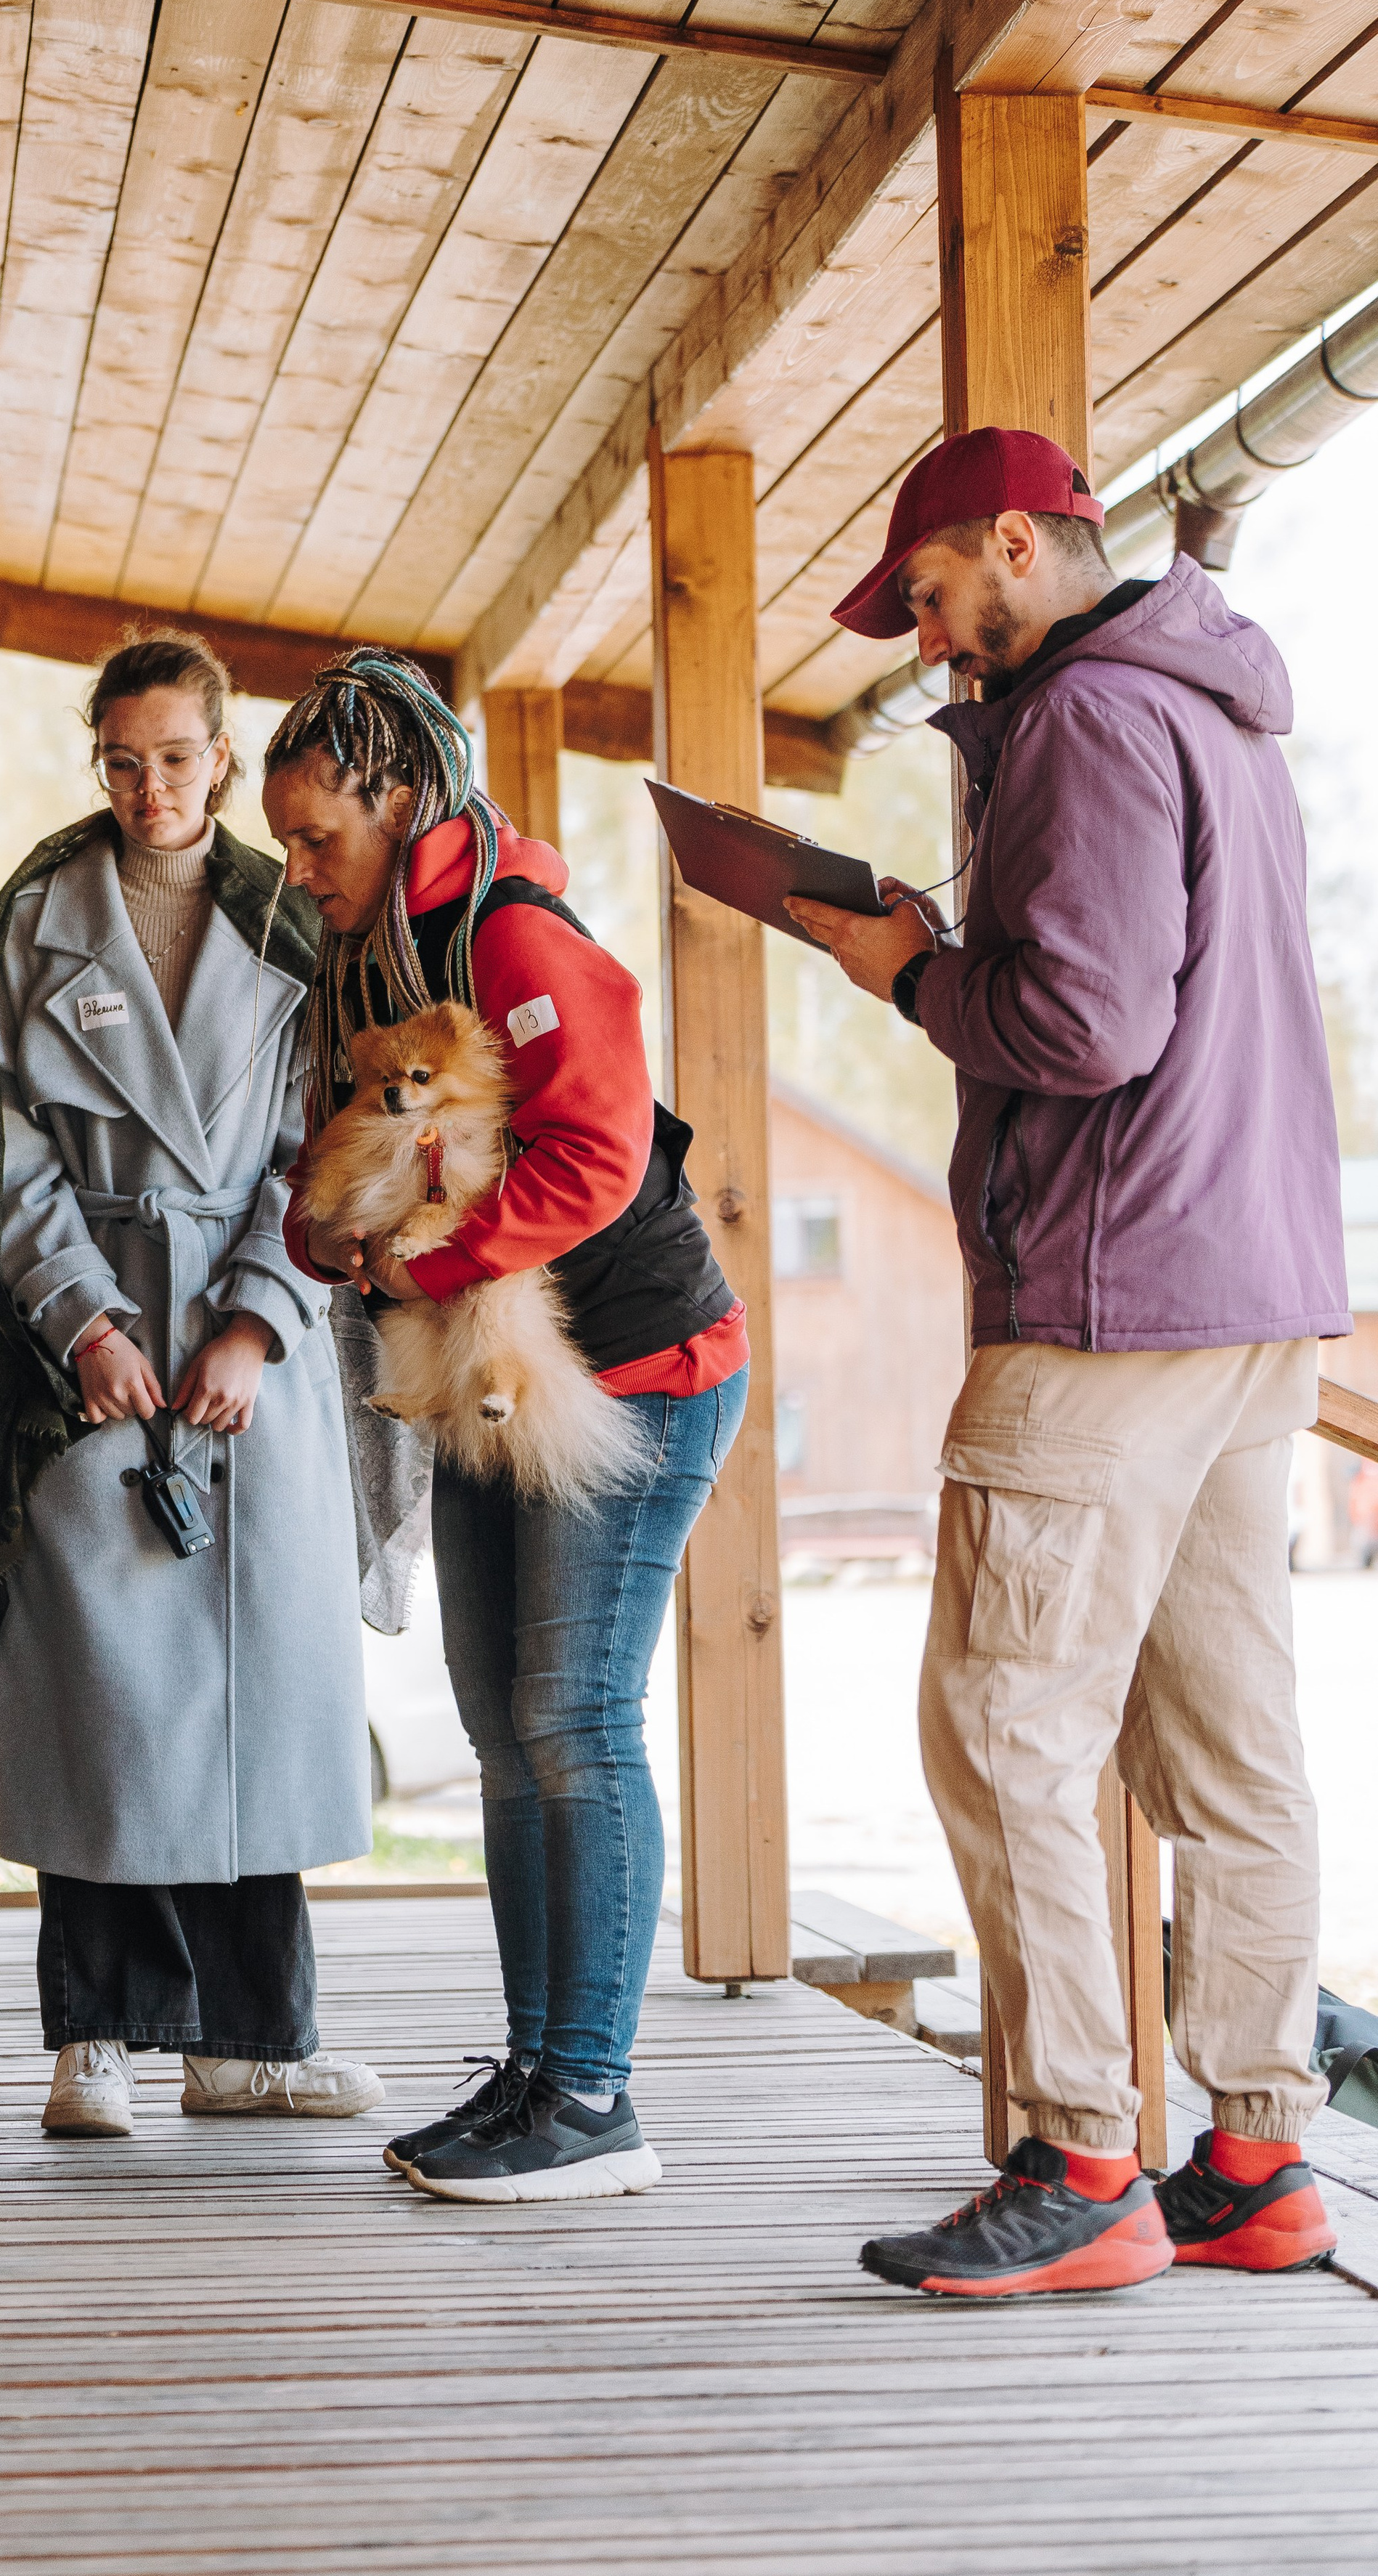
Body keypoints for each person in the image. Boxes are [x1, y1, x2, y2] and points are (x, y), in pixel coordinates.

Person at [787, 427, 1350, 2296]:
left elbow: (1081, 1024)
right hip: (1246, 1285)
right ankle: (1257, 2153)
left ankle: (1078, 2153)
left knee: (1000, 1724)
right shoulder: (1215, 710)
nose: (931, 642)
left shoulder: (1089, 721)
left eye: (934, 598)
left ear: (1015, 544)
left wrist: (895, 965)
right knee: (1228, 1743)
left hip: (1107, 1293)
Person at [262, 649, 749, 2202]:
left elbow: (594, 1161)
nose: (297, 869)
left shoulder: (516, 932)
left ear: (395, 794)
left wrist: (408, 1256)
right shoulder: (384, 952)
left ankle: (596, 2095)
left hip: (639, 1370)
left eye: (313, 837)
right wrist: (323, 1225)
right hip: (493, 1377)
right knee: (498, 1729)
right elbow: (353, 1143)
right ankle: (538, 2066)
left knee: (572, 1717)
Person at [0, 628, 383, 2140]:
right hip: (98, 1359)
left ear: (222, 755)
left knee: (254, 1698)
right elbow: (11, 1168)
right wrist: (84, 1323)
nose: (148, 789)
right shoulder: (32, 924)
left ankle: (254, 2040)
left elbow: (327, 1145)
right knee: (99, 1702)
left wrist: (258, 1320)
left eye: (177, 758)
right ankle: (96, 2042)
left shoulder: (298, 925)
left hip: (250, 1353)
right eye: (120, 761)